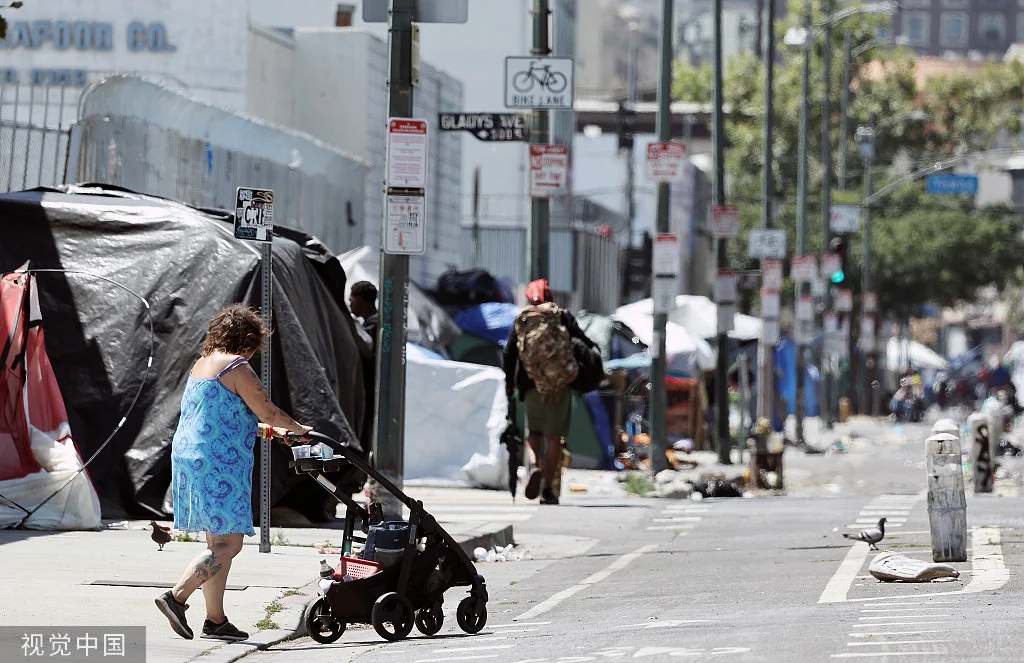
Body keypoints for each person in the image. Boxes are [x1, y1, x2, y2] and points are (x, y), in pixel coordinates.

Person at [156, 305, 311, 641]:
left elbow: (224, 419)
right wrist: (297, 428)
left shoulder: (202, 366)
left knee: (217, 542)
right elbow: (266, 409)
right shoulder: (237, 365)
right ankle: (177, 597)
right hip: (219, 463)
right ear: (249, 341)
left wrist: (273, 433)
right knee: (229, 545)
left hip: (192, 456)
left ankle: (215, 620)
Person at [504, 279, 597, 505]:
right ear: (550, 296)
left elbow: (509, 353)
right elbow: (583, 344)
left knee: (533, 433)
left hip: (531, 386)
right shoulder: (562, 316)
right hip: (559, 387)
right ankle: (548, 489)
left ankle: (535, 465)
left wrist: (510, 382)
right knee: (554, 437)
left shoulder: (523, 320)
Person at [349, 281, 379, 346]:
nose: (350, 305)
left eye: (351, 300)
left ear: (359, 300)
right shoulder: (374, 321)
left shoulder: (373, 325)